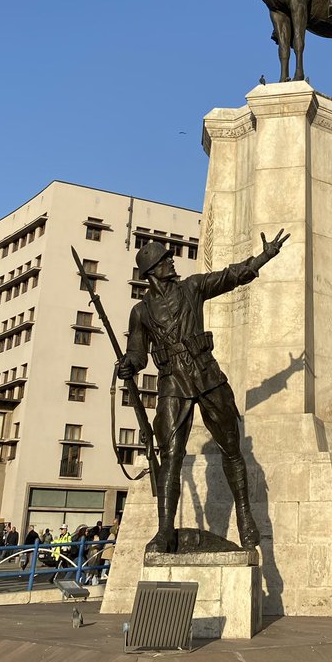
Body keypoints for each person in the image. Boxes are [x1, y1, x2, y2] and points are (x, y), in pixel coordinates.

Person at [118, 229, 290, 554]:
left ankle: (244, 515)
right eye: (165, 259)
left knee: (232, 449)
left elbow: (229, 278)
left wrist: (263, 257)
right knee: (170, 458)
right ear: (153, 270)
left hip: (208, 376)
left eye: (169, 257)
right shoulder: (140, 312)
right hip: (173, 385)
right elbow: (138, 355)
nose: (172, 261)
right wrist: (128, 364)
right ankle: (165, 531)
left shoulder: (192, 287)